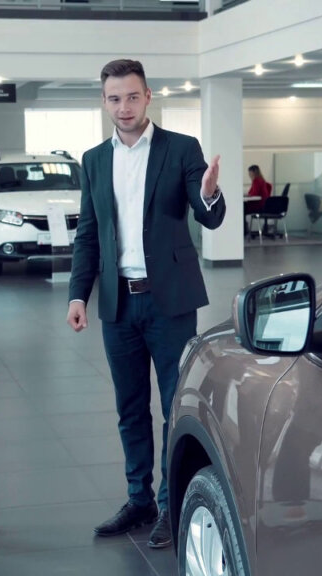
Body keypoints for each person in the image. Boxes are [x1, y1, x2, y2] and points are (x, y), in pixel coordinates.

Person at [66, 59, 225, 549]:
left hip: (169, 302)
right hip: (118, 303)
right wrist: (78, 293)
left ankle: (170, 503)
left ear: (148, 96)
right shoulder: (94, 159)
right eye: (115, 98)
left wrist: (209, 193)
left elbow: (209, 216)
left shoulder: (181, 148)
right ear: (104, 102)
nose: (124, 107)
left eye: (132, 96)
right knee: (130, 407)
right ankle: (139, 499)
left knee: (175, 406)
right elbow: (88, 233)